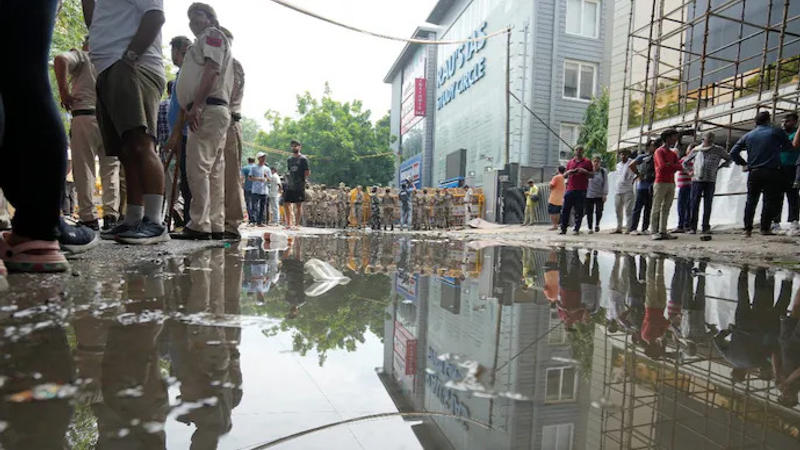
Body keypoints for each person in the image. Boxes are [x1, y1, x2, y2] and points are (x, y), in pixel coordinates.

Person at [84, 0, 169, 244]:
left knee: (142, 144)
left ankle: (154, 222)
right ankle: (133, 219)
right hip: (109, 68)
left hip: (133, 66)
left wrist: (129, 58)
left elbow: (155, 15)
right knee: (126, 151)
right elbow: (92, 22)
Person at [169, 3, 234, 241]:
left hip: (207, 108)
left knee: (198, 168)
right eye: (189, 17)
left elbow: (212, 69)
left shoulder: (212, 36)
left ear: (209, 18)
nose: (192, 21)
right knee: (214, 171)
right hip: (213, 109)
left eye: (197, 15)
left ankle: (199, 223)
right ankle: (214, 224)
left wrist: (196, 105)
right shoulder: (209, 39)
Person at [54, 39, 121, 232]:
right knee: (110, 170)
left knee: (84, 169)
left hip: (85, 116)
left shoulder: (83, 57)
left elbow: (60, 59)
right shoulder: (112, 62)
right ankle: (111, 216)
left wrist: (64, 92)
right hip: (110, 120)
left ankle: (89, 216)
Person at [730, 110, 790, 237]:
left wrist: (744, 163)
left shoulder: (749, 135)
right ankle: (765, 228)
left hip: (754, 171)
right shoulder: (775, 131)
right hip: (772, 170)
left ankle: (747, 229)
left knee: (751, 200)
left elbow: (733, 152)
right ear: (768, 120)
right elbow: (788, 147)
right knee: (769, 200)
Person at [165, 35, 192, 229]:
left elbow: (184, 106)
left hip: (184, 133)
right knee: (184, 175)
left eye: (175, 51)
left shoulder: (188, 73)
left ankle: (191, 220)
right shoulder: (180, 74)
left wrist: (175, 134)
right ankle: (188, 219)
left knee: (188, 178)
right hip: (179, 132)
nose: (173, 55)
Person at [221, 27, 246, 240]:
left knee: (230, 175)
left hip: (229, 123)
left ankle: (232, 223)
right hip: (214, 124)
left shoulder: (233, 66)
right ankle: (217, 220)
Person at [682, 131, 731, 234]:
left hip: (710, 180)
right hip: (697, 180)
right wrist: (690, 172)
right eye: (707, 139)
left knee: (708, 204)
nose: (708, 141)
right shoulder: (696, 150)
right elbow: (685, 163)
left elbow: (729, 159)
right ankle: (693, 227)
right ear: (703, 139)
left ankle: (705, 227)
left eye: (711, 139)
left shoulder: (718, 150)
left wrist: (719, 167)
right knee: (694, 204)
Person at [650, 129, 682, 240]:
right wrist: (672, 165)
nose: (675, 139)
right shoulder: (659, 151)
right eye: (674, 137)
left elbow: (679, 166)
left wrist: (670, 165)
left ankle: (663, 231)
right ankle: (654, 231)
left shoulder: (672, 153)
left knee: (666, 207)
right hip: (660, 182)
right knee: (657, 207)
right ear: (668, 138)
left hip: (671, 182)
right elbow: (663, 166)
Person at [560, 146, 594, 235]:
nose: (578, 152)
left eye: (580, 150)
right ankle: (563, 229)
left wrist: (584, 171)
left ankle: (576, 229)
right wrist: (569, 172)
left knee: (579, 211)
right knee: (565, 209)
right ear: (574, 151)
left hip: (581, 189)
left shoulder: (587, 162)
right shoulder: (570, 162)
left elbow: (592, 175)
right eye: (576, 150)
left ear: (583, 151)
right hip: (570, 189)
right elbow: (564, 176)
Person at [628, 140, 657, 234]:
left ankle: (645, 228)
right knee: (638, 208)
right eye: (652, 145)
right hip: (642, 186)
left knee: (648, 209)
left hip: (652, 186)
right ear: (648, 147)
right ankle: (633, 228)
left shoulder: (656, 157)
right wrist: (638, 174)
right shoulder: (643, 157)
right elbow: (631, 165)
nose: (654, 147)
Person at [777, 112, 799, 234]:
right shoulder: (779, 133)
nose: (784, 123)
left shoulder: (796, 133)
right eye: (783, 121)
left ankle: (793, 221)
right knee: (777, 195)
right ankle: (775, 221)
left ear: (794, 122)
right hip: (779, 167)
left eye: (787, 121)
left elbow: (794, 145)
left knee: (793, 195)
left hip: (792, 167)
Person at [284, 140, 310, 228]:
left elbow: (307, 172)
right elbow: (289, 171)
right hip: (290, 184)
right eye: (292, 146)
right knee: (286, 202)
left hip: (299, 185)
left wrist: (304, 181)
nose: (294, 147)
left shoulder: (303, 159)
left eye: (296, 146)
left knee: (298, 205)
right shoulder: (289, 159)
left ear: (299, 147)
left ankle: (297, 224)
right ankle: (288, 223)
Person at [613, 150, 636, 233]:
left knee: (628, 210)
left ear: (628, 155)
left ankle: (628, 228)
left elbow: (637, 173)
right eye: (622, 154)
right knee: (618, 210)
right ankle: (619, 227)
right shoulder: (618, 165)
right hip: (618, 190)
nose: (623, 156)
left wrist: (633, 180)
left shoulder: (631, 163)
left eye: (625, 154)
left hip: (628, 190)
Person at [584, 156, 607, 233]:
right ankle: (590, 227)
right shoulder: (588, 171)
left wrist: (605, 194)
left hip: (599, 194)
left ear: (600, 163)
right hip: (589, 194)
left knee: (599, 211)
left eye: (598, 161)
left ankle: (597, 224)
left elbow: (605, 183)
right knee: (589, 212)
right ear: (592, 162)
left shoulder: (603, 172)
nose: (596, 163)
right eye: (594, 161)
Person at [674, 146, 693, 233]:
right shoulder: (696, 160)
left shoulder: (685, 159)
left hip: (684, 185)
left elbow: (677, 166)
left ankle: (681, 225)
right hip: (690, 185)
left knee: (682, 206)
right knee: (688, 206)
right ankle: (687, 225)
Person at [248, 153, 269, 226]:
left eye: (264, 157)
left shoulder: (267, 168)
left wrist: (267, 178)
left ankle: (260, 222)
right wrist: (258, 179)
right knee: (254, 206)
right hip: (255, 190)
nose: (263, 159)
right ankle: (253, 221)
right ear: (258, 158)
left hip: (264, 190)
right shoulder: (254, 167)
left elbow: (270, 179)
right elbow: (249, 177)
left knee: (263, 207)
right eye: (262, 157)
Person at [242, 157, 255, 224]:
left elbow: (242, 178)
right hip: (256, 189)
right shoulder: (257, 167)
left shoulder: (245, 168)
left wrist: (242, 185)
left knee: (248, 204)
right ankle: (256, 219)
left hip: (247, 188)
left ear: (248, 161)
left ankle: (251, 219)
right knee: (255, 203)